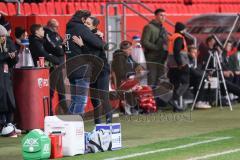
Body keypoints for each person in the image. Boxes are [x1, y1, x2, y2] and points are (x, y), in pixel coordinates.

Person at [72, 16, 112, 124]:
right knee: (94, 99)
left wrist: (81, 45)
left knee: (103, 97)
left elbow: (91, 56)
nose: (85, 25)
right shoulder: (87, 35)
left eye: (88, 24)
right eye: (85, 23)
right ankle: (98, 124)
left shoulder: (96, 37)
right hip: (92, 72)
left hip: (102, 70)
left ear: (94, 26)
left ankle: (109, 123)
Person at [65, 10, 105, 115]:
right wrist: (98, 35)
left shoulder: (69, 28)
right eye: (86, 21)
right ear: (83, 19)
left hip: (71, 69)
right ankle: (77, 127)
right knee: (81, 100)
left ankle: (69, 126)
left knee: (74, 100)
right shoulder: (80, 28)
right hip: (81, 69)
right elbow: (99, 44)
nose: (86, 24)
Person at [112, 41, 144, 115]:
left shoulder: (127, 57)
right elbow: (120, 72)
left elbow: (135, 65)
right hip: (122, 81)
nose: (131, 51)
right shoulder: (119, 58)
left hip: (128, 79)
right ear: (124, 49)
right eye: (130, 49)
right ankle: (131, 107)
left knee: (140, 86)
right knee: (137, 88)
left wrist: (139, 68)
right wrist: (131, 76)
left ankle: (134, 107)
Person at [44, 19, 67, 114]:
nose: (57, 29)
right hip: (54, 66)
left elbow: (64, 47)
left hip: (60, 65)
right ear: (50, 26)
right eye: (55, 27)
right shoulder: (48, 34)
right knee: (51, 90)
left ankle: (64, 112)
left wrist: (61, 47)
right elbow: (58, 50)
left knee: (62, 90)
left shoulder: (56, 35)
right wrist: (61, 48)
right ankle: (50, 112)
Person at [0, 25, 20, 137]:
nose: (4, 38)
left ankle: (9, 124)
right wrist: (7, 55)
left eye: (4, 36)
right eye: (1, 36)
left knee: (10, 102)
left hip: (6, 77)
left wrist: (13, 58)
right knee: (2, 102)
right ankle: (3, 125)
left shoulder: (6, 45)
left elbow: (11, 63)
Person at [141, 8, 168, 87]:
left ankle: (158, 98)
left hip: (161, 57)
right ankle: (151, 98)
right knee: (152, 80)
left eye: (164, 16)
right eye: (161, 15)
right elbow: (144, 42)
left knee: (160, 79)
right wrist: (156, 48)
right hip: (152, 58)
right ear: (155, 16)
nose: (163, 17)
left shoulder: (163, 29)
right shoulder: (149, 27)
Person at [167, 22, 190, 112]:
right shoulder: (179, 38)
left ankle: (176, 107)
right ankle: (174, 98)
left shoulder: (172, 37)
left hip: (172, 65)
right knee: (185, 83)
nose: (186, 31)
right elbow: (177, 51)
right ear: (182, 29)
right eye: (185, 29)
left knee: (175, 85)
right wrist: (180, 64)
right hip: (181, 64)